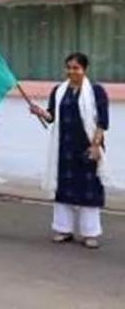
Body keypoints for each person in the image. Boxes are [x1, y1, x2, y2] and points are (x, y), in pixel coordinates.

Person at [29, 53, 110, 249]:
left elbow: (102, 122)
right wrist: (40, 112)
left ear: (85, 69)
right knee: (63, 187)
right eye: (68, 67)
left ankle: (90, 233)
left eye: (76, 68)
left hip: (87, 146)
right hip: (64, 147)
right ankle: (63, 229)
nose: (71, 71)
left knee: (89, 189)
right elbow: (51, 117)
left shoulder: (96, 91)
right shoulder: (59, 91)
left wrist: (95, 145)